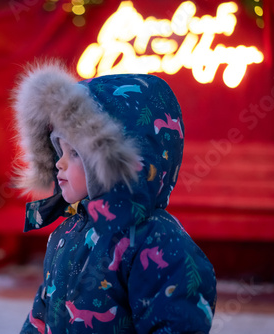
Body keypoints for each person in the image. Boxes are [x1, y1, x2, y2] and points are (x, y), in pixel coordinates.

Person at [12, 61, 217, 333]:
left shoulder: (157, 240)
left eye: (74, 153)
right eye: (58, 151)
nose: (59, 164)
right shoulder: (67, 233)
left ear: (109, 160)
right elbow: (42, 312)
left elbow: (176, 320)